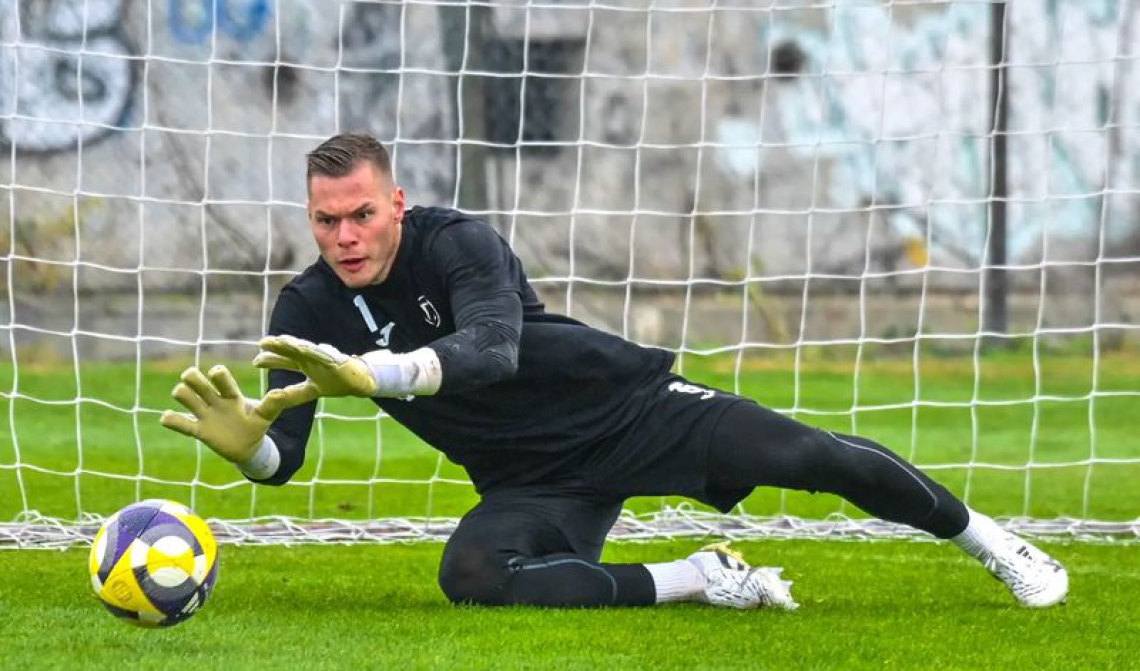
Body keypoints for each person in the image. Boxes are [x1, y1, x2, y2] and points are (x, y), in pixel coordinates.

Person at [160, 132, 1069, 610]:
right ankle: (699, 578)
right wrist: (252, 454)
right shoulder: (306, 308)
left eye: (361, 214)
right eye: (326, 221)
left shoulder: (459, 243)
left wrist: (382, 376)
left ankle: (993, 543)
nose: (345, 237)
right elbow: (284, 456)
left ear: (395, 202)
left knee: (809, 457)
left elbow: (493, 349)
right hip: (530, 478)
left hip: (629, 409)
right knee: (473, 576)